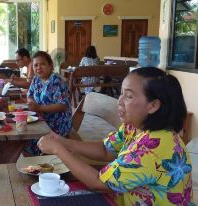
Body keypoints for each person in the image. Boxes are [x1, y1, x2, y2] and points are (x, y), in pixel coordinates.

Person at [37, 67, 192, 205]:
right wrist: (64, 143)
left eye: (129, 96)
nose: (120, 101)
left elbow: (98, 182)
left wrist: (59, 150)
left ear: (153, 105)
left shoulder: (153, 146)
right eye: (121, 93)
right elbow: (106, 149)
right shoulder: (134, 127)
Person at [26, 51, 72, 155]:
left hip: (57, 123)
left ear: (50, 65)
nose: (39, 67)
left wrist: (39, 108)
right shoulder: (36, 79)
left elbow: (63, 105)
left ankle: (39, 164)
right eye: (36, 65)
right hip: (41, 119)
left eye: (42, 64)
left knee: (28, 139)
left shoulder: (57, 81)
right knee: (22, 130)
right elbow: (29, 95)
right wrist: (32, 103)